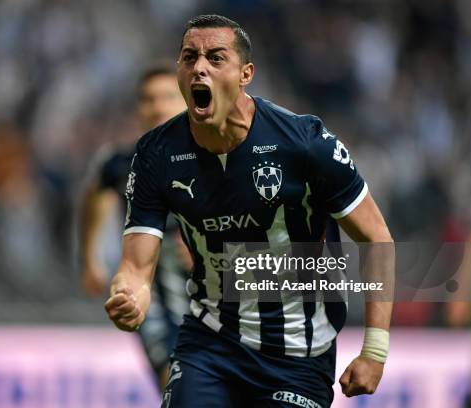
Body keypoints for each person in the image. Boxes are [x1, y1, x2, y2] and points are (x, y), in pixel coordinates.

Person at [104, 14, 394, 408]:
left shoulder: (304, 143)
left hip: (298, 354)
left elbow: (376, 238)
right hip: (210, 343)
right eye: (189, 57)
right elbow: (136, 268)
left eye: (215, 57)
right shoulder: (157, 154)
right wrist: (130, 296)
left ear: (245, 74)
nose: (199, 66)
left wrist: (374, 349)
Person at [80, 66, 191, 388]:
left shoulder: (219, 159)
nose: (157, 107)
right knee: (175, 384)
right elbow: (93, 198)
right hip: (153, 297)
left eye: (168, 97)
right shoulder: (121, 164)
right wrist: (89, 257)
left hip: (218, 297)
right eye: (148, 99)